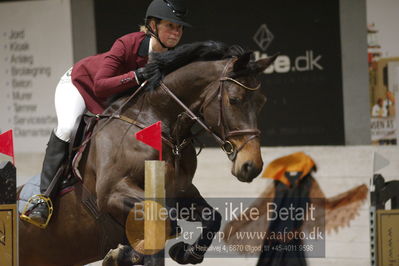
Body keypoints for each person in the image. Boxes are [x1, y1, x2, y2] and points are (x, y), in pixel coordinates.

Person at [21, 0, 190, 228]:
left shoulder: (172, 59)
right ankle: (43, 198)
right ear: (152, 25)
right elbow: (100, 85)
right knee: (68, 127)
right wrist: (138, 75)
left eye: (179, 28)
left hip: (113, 101)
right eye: (170, 26)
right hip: (80, 85)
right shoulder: (127, 44)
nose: (176, 32)